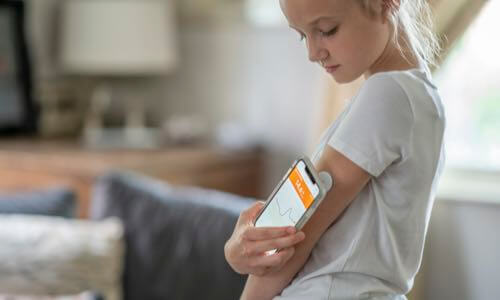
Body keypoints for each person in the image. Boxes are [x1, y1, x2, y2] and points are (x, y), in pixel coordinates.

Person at [224, 0, 445, 299]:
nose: (313, 53)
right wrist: (244, 249)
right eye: (303, 35)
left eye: (327, 30)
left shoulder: (388, 94)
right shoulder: (422, 99)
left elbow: (297, 237)